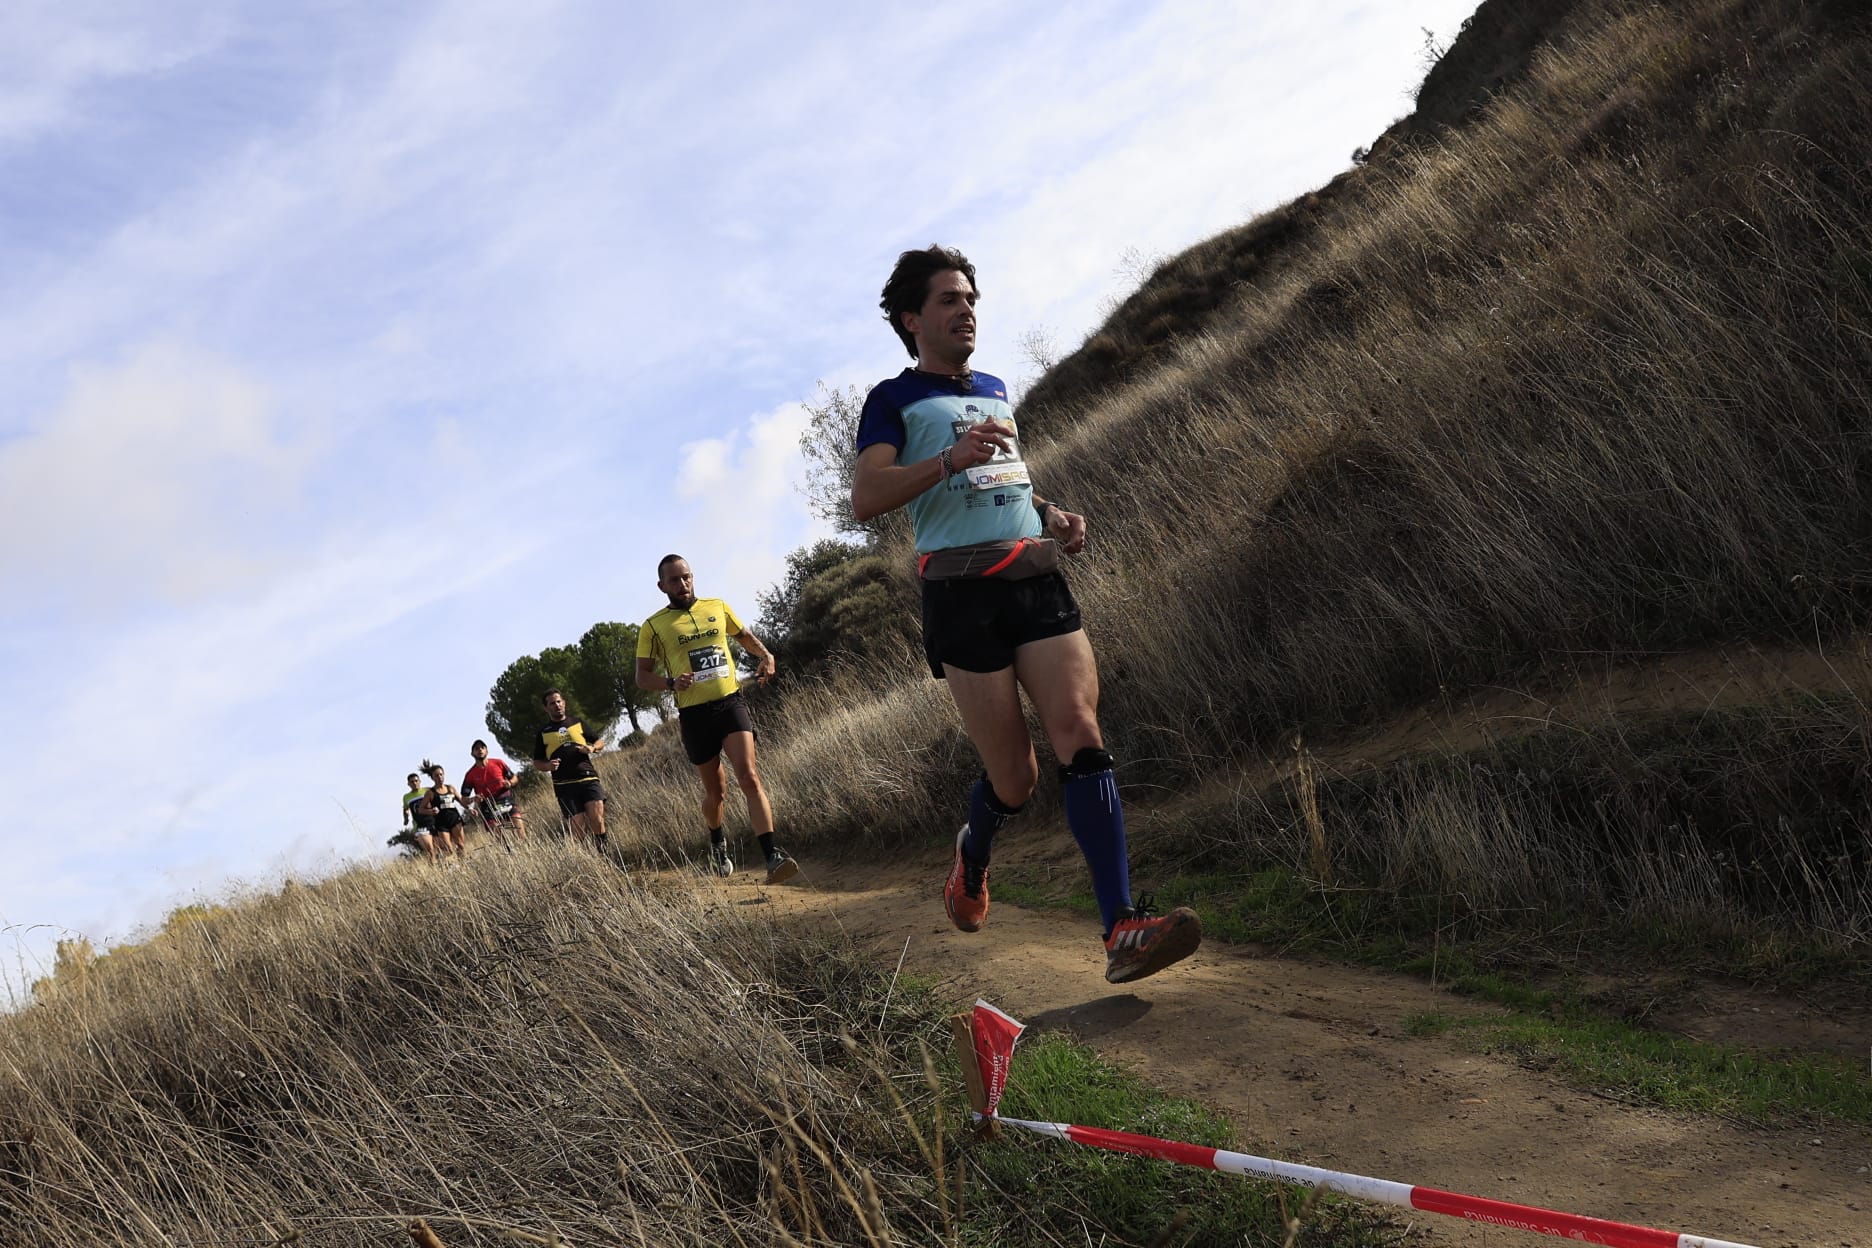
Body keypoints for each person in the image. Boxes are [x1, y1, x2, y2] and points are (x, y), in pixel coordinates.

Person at [850, 244, 1201, 984]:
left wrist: (1051, 513)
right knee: (1015, 780)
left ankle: (1121, 928)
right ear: (913, 318)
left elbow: (1006, 480)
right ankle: (972, 854)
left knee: (1081, 730)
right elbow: (869, 497)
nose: (966, 308)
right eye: (949, 299)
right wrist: (946, 462)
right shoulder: (892, 400)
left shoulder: (997, 387)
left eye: (971, 297)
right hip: (959, 595)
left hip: (1034, 578)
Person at [636, 554, 798, 885]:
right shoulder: (653, 626)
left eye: (686, 577)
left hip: (729, 703)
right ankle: (716, 841)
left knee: (749, 777)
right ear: (661, 586)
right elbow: (642, 677)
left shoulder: (717, 606)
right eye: (674, 580)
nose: (682, 584)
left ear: (692, 578)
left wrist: (766, 655)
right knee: (716, 793)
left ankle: (772, 856)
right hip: (694, 716)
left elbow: (743, 636)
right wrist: (670, 683)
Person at [532, 689, 609, 850]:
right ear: (546, 708)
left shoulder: (577, 722)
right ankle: (586, 862)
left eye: (559, 701)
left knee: (597, 818)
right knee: (578, 827)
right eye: (552, 703)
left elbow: (599, 742)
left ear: (564, 703)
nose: (557, 705)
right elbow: (537, 762)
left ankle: (605, 854)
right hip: (564, 785)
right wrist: (548, 766)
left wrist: (592, 748)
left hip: (588, 778)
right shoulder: (543, 733)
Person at [463, 739, 527, 844]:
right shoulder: (470, 774)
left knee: (520, 833)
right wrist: (473, 799)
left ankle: (525, 849)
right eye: (476, 748)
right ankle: (509, 855)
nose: (480, 750)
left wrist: (510, 783)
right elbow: (464, 799)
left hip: (506, 800)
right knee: (502, 841)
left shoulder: (498, 763)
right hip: (488, 806)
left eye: (482, 747)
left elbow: (514, 778)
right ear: (472, 753)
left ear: (487, 751)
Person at [420, 760, 469, 860]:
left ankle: (464, 865)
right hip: (441, 823)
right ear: (432, 778)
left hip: (454, 819)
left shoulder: (450, 788)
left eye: (441, 775)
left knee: (461, 845)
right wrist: (431, 811)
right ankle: (452, 866)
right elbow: (421, 809)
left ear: (444, 774)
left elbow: (461, 801)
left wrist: (471, 807)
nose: (439, 777)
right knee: (448, 849)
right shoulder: (430, 793)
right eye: (436, 776)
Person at [400, 772, 439, 863]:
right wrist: (406, 818)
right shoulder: (406, 797)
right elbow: (405, 808)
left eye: (416, 781)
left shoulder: (427, 790)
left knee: (441, 848)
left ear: (420, 781)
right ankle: (434, 870)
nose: (415, 783)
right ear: (408, 784)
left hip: (434, 822)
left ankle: (443, 867)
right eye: (412, 782)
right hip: (420, 826)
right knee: (430, 850)